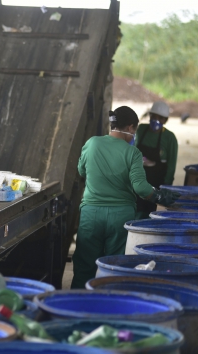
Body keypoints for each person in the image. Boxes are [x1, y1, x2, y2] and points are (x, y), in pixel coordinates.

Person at [71, 106, 180, 289]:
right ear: (130, 127)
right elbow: (141, 188)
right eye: (134, 130)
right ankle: (111, 304)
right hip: (119, 216)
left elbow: (82, 170)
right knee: (114, 266)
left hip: (91, 214)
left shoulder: (92, 143)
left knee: (84, 265)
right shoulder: (132, 153)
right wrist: (160, 196)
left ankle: (76, 303)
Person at [135, 101, 178, 219]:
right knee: (135, 212)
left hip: (156, 185)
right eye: (153, 116)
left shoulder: (170, 138)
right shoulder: (141, 130)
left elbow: (171, 166)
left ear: (165, 120)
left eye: (160, 118)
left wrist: (166, 189)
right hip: (138, 182)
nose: (156, 120)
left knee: (150, 215)